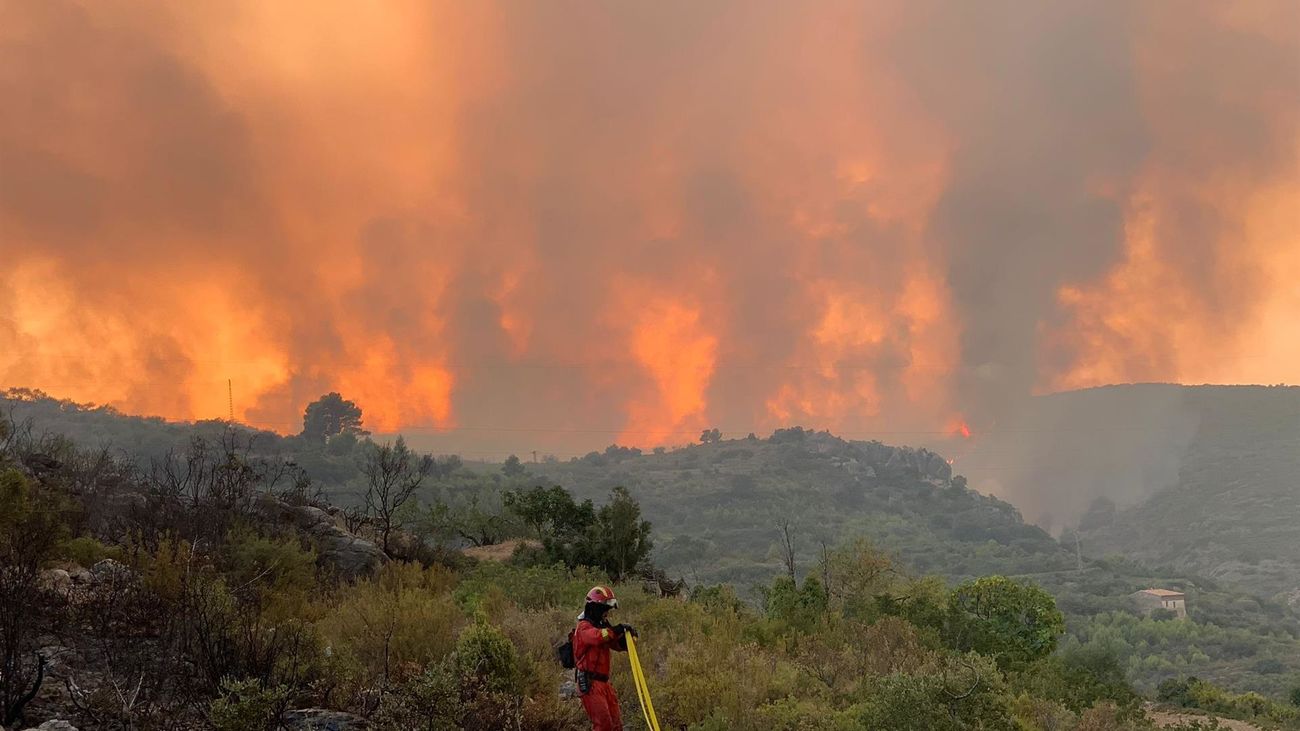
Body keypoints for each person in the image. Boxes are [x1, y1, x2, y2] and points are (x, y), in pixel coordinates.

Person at [573, 585, 637, 731]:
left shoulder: (602, 627)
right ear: (595, 608)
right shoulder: (584, 627)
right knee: (603, 725)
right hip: (591, 684)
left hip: (604, 683)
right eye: (604, 610)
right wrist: (616, 630)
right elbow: (598, 637)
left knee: (616, 725)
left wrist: (628, 639)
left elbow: (615, 644)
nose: (606, 613)